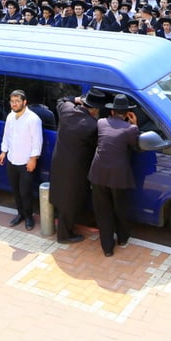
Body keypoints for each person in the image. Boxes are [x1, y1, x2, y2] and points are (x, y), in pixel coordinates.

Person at [50, 89, 105, 243]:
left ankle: (62, 227)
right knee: (72, 199)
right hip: (76, 169)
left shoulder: (67, 111)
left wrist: (76, 99)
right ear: (94, 109)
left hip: (59, 162)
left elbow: (61, 100)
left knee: (62, 195)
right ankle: (64, 235)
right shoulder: (93, 125)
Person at [89, 93, 140, 257]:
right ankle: (123, 239)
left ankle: (107, 248)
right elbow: (136, 146)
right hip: (118, 176)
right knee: (120, 208)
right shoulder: (131, 129)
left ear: (112, 111)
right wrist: (135, 124)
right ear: (127, 113)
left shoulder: (101, 122)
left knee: (102, 211)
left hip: (98, 173)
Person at [0, 89, 42, 230]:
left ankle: (29, 217)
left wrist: (33, 159)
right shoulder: (10, 116)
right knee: (15, 191)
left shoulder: (33, 119)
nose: (14, 104)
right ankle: (20, 214)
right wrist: (3, 151)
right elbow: (6, 135)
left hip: (25, 162)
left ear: (24, 102)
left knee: (25, 192)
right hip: (12, 160)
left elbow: (37, 141)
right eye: (12, 101)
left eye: (17, 101)